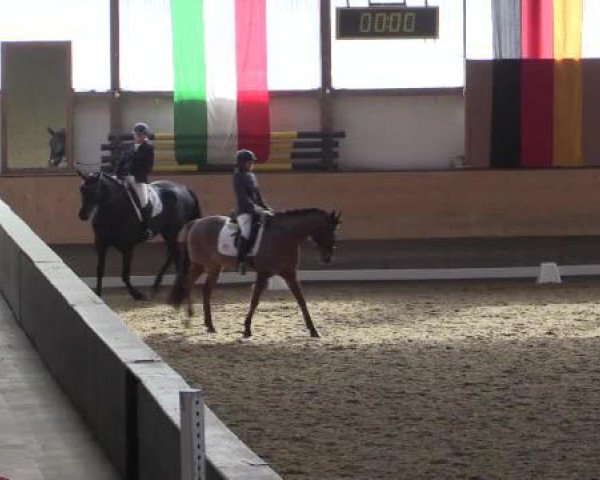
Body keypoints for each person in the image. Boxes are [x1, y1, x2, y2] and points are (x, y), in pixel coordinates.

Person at [233, 149, 273, 274]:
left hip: (256, 210)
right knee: (246, 232)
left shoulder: (252, 176)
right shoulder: (238, 176)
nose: (251, 164)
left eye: (252, 162)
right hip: (244, 211)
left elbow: (258, 195)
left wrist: (267, 208)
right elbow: (243, 197)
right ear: (241, 163)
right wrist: (257, 209)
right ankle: (240, 262)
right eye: (249, 162)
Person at [119, 122, 155, 240]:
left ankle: (146, 228)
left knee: (144, 201)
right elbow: (121, 162)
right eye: (136, 134)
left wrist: (136, 176)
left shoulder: (148, 148)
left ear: (145, 135)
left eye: (140, 135)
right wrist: (116, 174)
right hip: (124, 177)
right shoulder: (128, 147)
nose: (138, 137)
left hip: (138, 180)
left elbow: (148, 167)